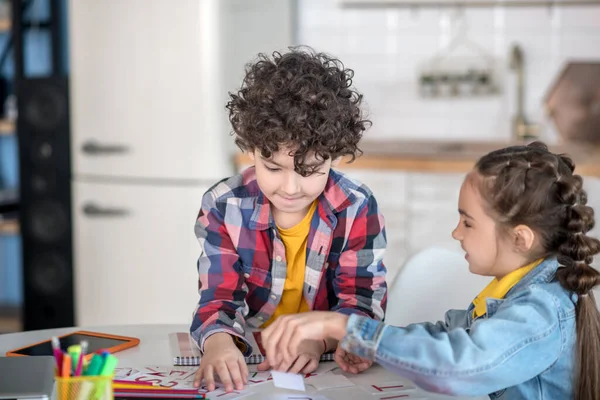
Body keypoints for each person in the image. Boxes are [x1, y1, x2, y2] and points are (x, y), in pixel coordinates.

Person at [262, 141, 600, 400]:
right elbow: (450, 336)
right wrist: (369, 345)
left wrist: (344, 325)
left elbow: (459, 363)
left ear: (520, 238)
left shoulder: (538, 312)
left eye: (468, 222)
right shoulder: (518, 292)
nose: (456, 233)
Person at [190, 47, 388, 393]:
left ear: (334, 155)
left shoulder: (356, 207)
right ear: (251, 148)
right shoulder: (223, 205)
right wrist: (219, 343)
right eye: (273, 168)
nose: (291, 187)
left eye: (310, 170)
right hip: (250, 360)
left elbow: (361, 303)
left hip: (324, 367)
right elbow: (219, 296)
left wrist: (320, 340)